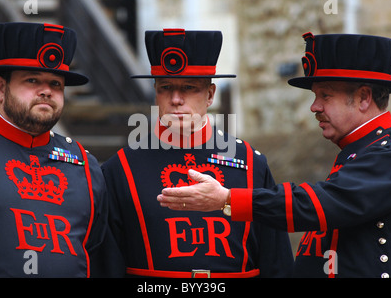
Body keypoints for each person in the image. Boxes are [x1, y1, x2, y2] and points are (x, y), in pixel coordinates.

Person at [158, 32, 391, 278]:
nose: (314, 106)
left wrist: (228, 199)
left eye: (326, 95)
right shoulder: (362, 153)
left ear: (364, 97)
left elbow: (315, 206)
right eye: (315, 95)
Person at [100, 28, 294, 278]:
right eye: (166, 87)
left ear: (210, 94)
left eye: (189, 87)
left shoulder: (250, 163)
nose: (176, 99)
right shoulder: (120, 169)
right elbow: (108, 264)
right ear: (155, 92)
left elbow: (276, 261)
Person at [0, 22, 123, 277]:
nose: (46, 91)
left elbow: (98, 255)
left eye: (56, 84)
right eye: (32, 80)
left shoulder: (85, 166)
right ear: (1, 88)